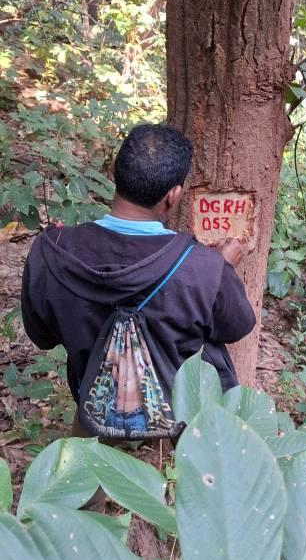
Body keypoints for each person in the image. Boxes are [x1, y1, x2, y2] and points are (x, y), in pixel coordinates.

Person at [21, 122, 256, 444]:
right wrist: (222, 268)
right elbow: (237, 326)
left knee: (85, 450)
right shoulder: (205, 267)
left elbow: (42, 335)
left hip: (94, 392)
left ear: (114, 171)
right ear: (173, 196)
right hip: (181, 405)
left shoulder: (52, 251)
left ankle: (87, 467)